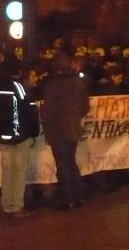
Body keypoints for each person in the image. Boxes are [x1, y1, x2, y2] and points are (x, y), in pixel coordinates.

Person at [0, 55, 40, 218]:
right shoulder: (18, 87)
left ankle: (7, 204)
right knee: (19, 172)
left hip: (5, 137)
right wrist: (33, 132)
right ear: (18, 71)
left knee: (7, 172)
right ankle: (17, 205)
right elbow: (30, 110)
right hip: (21, 136)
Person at [40, 50, 90, 210]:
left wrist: (43, 115)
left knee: (62, 165)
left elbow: (48, 112)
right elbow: (85, 106)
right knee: (71, 162)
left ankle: (67, 199)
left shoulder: (52, 86)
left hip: (58, 130)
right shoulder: (78, 82)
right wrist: (75, 117)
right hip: (73, 128)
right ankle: (78, 197)